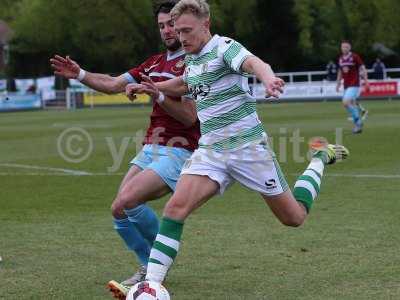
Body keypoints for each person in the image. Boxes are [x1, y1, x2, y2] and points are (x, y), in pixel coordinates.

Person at [124, 0, 350, 294]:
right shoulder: (192, 57)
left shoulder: (224, 47)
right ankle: (151, 286)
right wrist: (154, 88)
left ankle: (320, 158)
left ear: (206, 25)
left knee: (293, 218)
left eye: (187, 30)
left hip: (248, 151)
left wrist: (269, 79)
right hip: (211, 152)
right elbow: (186, 82)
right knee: (175, 208)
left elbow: (256, 64)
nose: (181, 37)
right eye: (178, 31)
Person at [50, 0, 200, 296]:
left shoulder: (193, 63)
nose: (167, 30)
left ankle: (159, 262)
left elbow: (190, 116)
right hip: (150, 147)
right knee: (118, 208)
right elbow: (112, 84)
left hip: (180, 150)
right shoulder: (154, 63)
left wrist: (156, 95)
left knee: (129, 200)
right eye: (161, 26)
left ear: (182, 24)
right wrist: (80, 75)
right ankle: (150, 267)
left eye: (171, 24)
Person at [336, 40, 369, 134]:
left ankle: (358, 121)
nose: (344, 48)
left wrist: (366, 81)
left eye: (346, 47)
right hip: (346, 85)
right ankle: (358, 125)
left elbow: (362, 68)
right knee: (352, 103)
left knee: (345, 102)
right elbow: (340, 72)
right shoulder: (340, 58)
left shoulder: (354, 57)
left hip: (355, 84)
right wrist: (338, 84)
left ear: (349, 48)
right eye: (343, 47)